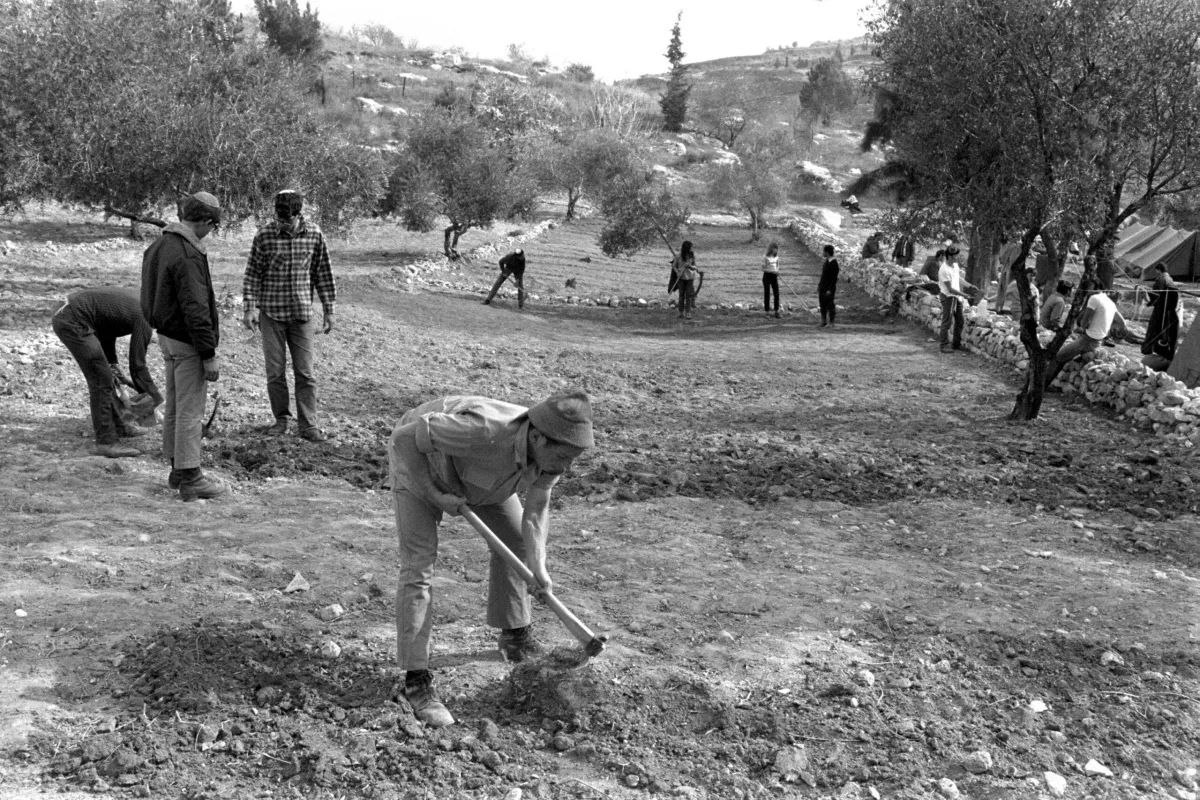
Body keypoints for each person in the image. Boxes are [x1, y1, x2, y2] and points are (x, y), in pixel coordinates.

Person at [387, 389, 595, 728]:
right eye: (566, 458)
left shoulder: (553, 448)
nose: (568, 467)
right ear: (539, 439)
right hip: (419, 464)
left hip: (480, 477)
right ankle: (416, 680)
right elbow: (404, 438)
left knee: (516, 542)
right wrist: (433, 491)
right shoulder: (483, 430)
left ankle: (515, 635)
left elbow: (537, 508)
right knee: (419, 566)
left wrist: (538, 568)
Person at [140, 191, 227, 499]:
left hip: (166, 337)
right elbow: (196, 308)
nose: (210, 233)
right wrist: (208, 353)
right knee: (190, 411)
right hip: (188, 341)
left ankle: (177, 470)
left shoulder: (160, 244)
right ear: (205, 221)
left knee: (175, 407)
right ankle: (191, 477)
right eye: (211, 226)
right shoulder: (188, 254)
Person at [242, 190, 336, 442]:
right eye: (279, 216)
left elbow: (323, 273)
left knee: (305, 373)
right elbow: (252, 274)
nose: (282, 222)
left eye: (287, 218)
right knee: (275, 372)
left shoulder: (314, 234)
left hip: (302, 314)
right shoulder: (264, 235)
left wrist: (329, 310)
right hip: (271, 314)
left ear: (298, 212)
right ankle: (281, 419)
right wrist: (249, 308)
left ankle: (308, 425)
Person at [52, 287, 163, 458]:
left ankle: (119, 426)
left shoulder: (143, 301)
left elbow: (106, 325)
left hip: (74, 313)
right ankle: (106, 442)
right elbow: (138, 367)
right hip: (72, 319)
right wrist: (156, 399)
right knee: (101, 380)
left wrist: (113, 363)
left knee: (107, 374)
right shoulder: (146, 316)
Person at [1043, 281, 1117, 392]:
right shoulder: (1110, 302)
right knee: (1064, 357)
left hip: (1087, 340)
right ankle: (1046, 385)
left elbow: (1083, 324)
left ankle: (1042, 386)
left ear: (1095, 286)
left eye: (1089, 285)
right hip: (1097, 340)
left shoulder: (1094, 299)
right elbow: (1120, 323)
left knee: (1057, 357)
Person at [1141, 262, 1180, 371]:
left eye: (1156, 270)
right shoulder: (1170, 280)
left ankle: (1151, 353)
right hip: (1168, 311)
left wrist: (1145, 295)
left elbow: (1155, 296)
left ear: (1158, 270)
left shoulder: (1161, 280)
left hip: (1160, 310)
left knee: (1155, 331)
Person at [938, 246, 971, 352]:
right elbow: (950, 289)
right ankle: (943, 345)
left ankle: (956, 344)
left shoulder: (955, 266)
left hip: (956, 296)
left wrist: (969, 285)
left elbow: (958, 278)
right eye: (955, 255)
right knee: (947, 321)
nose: (957, 257)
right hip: (949, 297)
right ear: (950, 256)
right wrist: (964, 295)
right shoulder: (944, 270)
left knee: (960, 320)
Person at [993, 235, 1026, 315]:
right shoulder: (1009, 245)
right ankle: (1000, 307)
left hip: (1012, 271)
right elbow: (1002, 258)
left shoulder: (1018, 246)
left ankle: (1006, 308)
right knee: (1004, 289)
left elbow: (1014, 260)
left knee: (1010, 289)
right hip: (1006, 269)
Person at [672, 241, 700, 320]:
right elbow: (674, 266)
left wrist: (690, 266)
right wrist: (677, 272)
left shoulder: (692, 256)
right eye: (691, 247)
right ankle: (680, 312)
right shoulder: (678, 256)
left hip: (690, 278)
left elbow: (695, 267)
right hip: (681, 279)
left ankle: (688, 313)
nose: (692, 249)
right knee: (681, 295)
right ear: (686, 248)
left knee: (688, 296)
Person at [818, 244, 839, 328]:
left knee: (830, 305)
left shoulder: (834, 263)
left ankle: (831, 322)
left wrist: (830, 289)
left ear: (827, 252)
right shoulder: (827, 261)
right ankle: (823, 321)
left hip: (829, 288)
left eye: (823, 251)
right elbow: (823, 275)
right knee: (822, 304)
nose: (822, 253)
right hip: (823, 286)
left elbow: (834, 278)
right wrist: (820, 285)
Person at [762, 241, 781, 318]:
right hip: (767, 276)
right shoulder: (765, 257)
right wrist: (773, 271)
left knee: (776, 293)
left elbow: (777, 266)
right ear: (770, 249)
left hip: (774, 277)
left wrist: (777, 271)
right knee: (767, 294)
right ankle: (767, 312)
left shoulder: (776, 257)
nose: (775, 250)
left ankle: (776, 311)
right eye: (774, 248)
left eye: (776, 249)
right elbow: (763, 269)